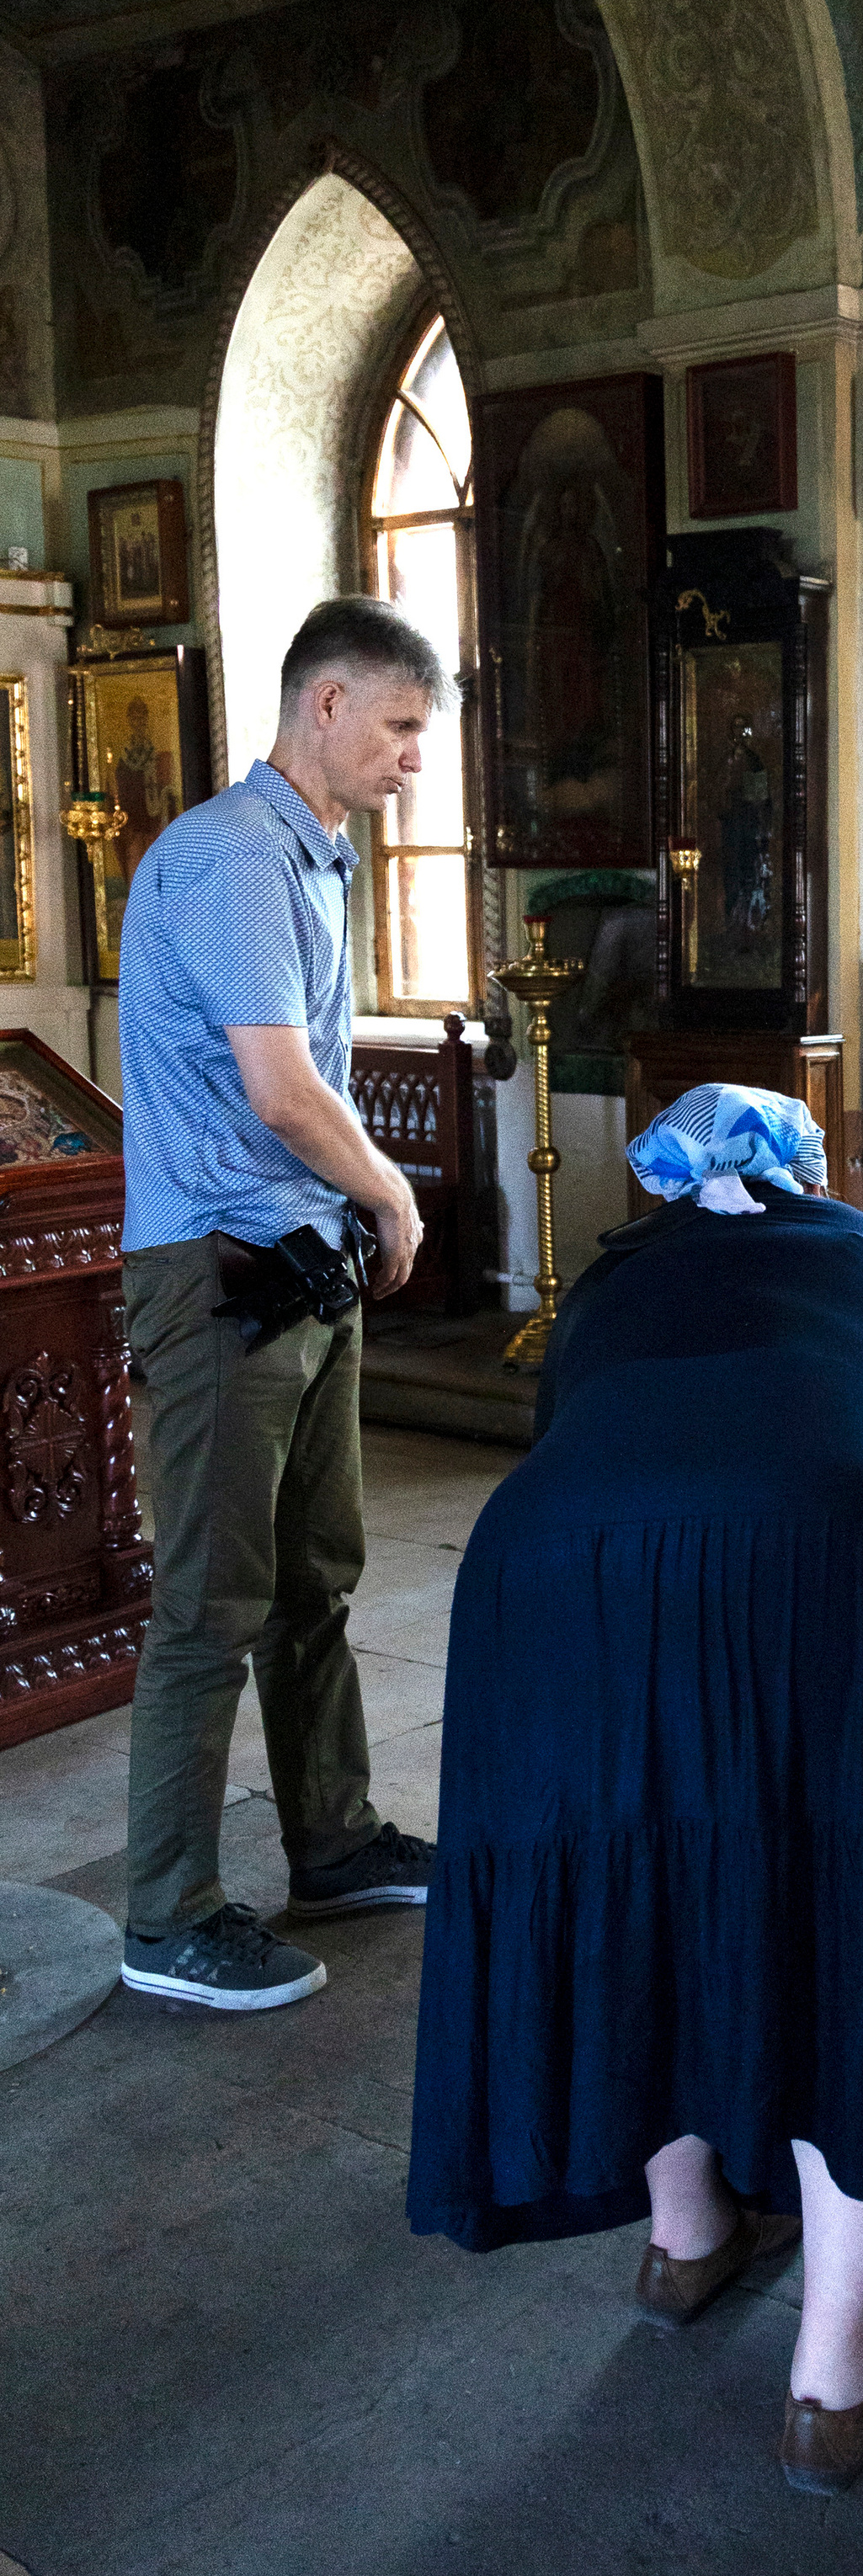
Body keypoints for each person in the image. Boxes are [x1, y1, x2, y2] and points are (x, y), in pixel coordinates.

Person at [407, 1085, 863, 2499]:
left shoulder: (615, 1274)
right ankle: (830, 2380)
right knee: (848, 1911)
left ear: (668, 1184)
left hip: (560, 1565)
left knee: (633, 1874)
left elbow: (574, 1420)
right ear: (811, 1173)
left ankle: (686, 2239)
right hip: (839, 1550)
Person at [117, 598, 442, 2015]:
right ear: (327, 704)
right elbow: (283, 1090)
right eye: (401, 725)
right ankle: (169, 1913)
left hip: (300, 1264)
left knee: (315, 1578)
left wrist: (353, 1216)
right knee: (210, 1603)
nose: (414, 757)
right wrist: (396, 1197)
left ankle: (335, 1838)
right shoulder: (239, 857)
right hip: (220, 1280)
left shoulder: (315, 855)